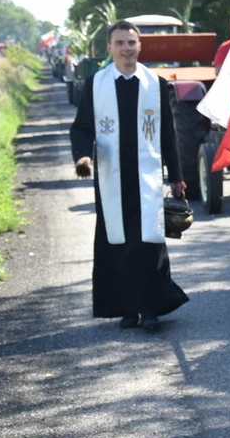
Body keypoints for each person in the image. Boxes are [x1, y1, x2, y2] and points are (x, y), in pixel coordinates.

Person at [70, 20, 189, 331]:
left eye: (131, 43)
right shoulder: (95, 84)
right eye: (120, 43)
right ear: (109, 48)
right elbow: (82, 128)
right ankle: (127, 308)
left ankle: (150, 308)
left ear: (140, 46)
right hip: (111, 178)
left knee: (148, 242)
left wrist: (176, 176)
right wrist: (83, 156)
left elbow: (167, 134)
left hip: (146, 177)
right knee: (117, 243)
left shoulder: (155, 84)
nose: (126, 48)